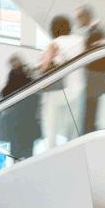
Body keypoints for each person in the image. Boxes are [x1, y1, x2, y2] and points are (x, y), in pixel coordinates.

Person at [39, 15, 84, 149]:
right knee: (73, 126)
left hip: (57, 92)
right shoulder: (80, 40)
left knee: (50, 124)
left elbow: (44, 67)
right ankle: (72, 149)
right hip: (77, 89)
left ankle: (51, 149)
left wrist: (45, 58)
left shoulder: (54, 44)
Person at [76, 5, 105, 135]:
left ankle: (88, 138)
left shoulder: (97, 32)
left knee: (89, 116)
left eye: (79, 18)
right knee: (90, 115)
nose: (78, 22)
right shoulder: (94, 31)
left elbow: (96, 59)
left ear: (85, 17)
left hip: (95, 81)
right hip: (93, 81)